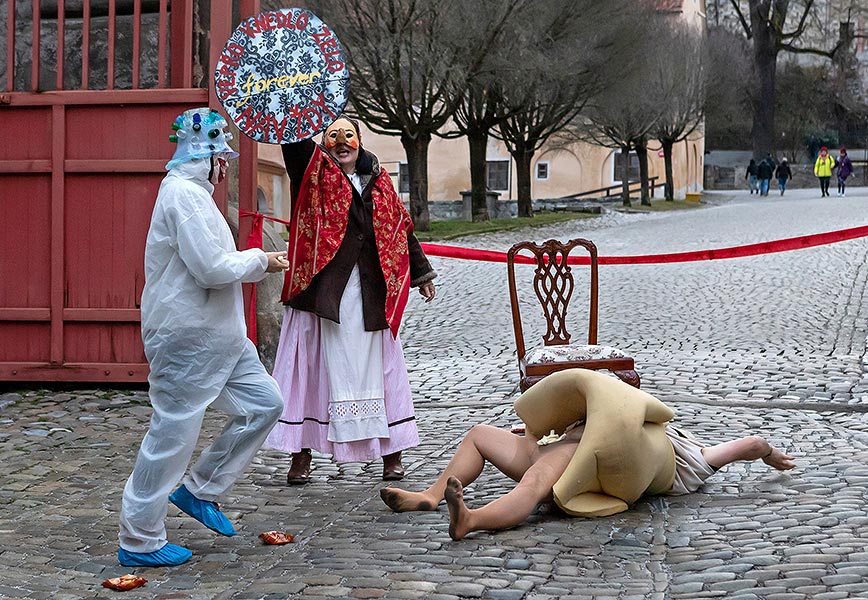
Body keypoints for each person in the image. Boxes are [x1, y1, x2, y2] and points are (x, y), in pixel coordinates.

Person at [118, 108, 289, 568]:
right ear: (206, 156)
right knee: (171, 435)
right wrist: (262, 261)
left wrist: (256, 260)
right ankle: (138, 538)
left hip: (221, 337)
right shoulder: (183, 197)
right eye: (222, 156)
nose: (226, 166)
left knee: (265, 403)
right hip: (187, 337)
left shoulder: (193, 195)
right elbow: (212, 269)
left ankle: (199, 490)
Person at [381, 385, 795, 541]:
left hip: (572, 457)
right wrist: (769, 453)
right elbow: (752, 444)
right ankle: (432, 496)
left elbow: (750, 444)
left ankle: (472, 520)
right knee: (479, 435)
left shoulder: (686, 461)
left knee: (535, 481)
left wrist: (767, 451)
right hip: (559, 444)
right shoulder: (692, 454)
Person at [263, 115, 437, 485]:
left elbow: (399, 227)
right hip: (322, 288)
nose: (342, 142)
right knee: (311, 371)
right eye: (333, 136)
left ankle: (392, 454)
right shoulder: (311, 171)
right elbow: (294, 147)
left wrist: (420, 273)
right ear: (324, 141)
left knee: (381, 369)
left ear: (359, 140)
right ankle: (301, 455)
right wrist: (292, 110)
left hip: (371, 291)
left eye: (349, 136)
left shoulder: (380, 180)